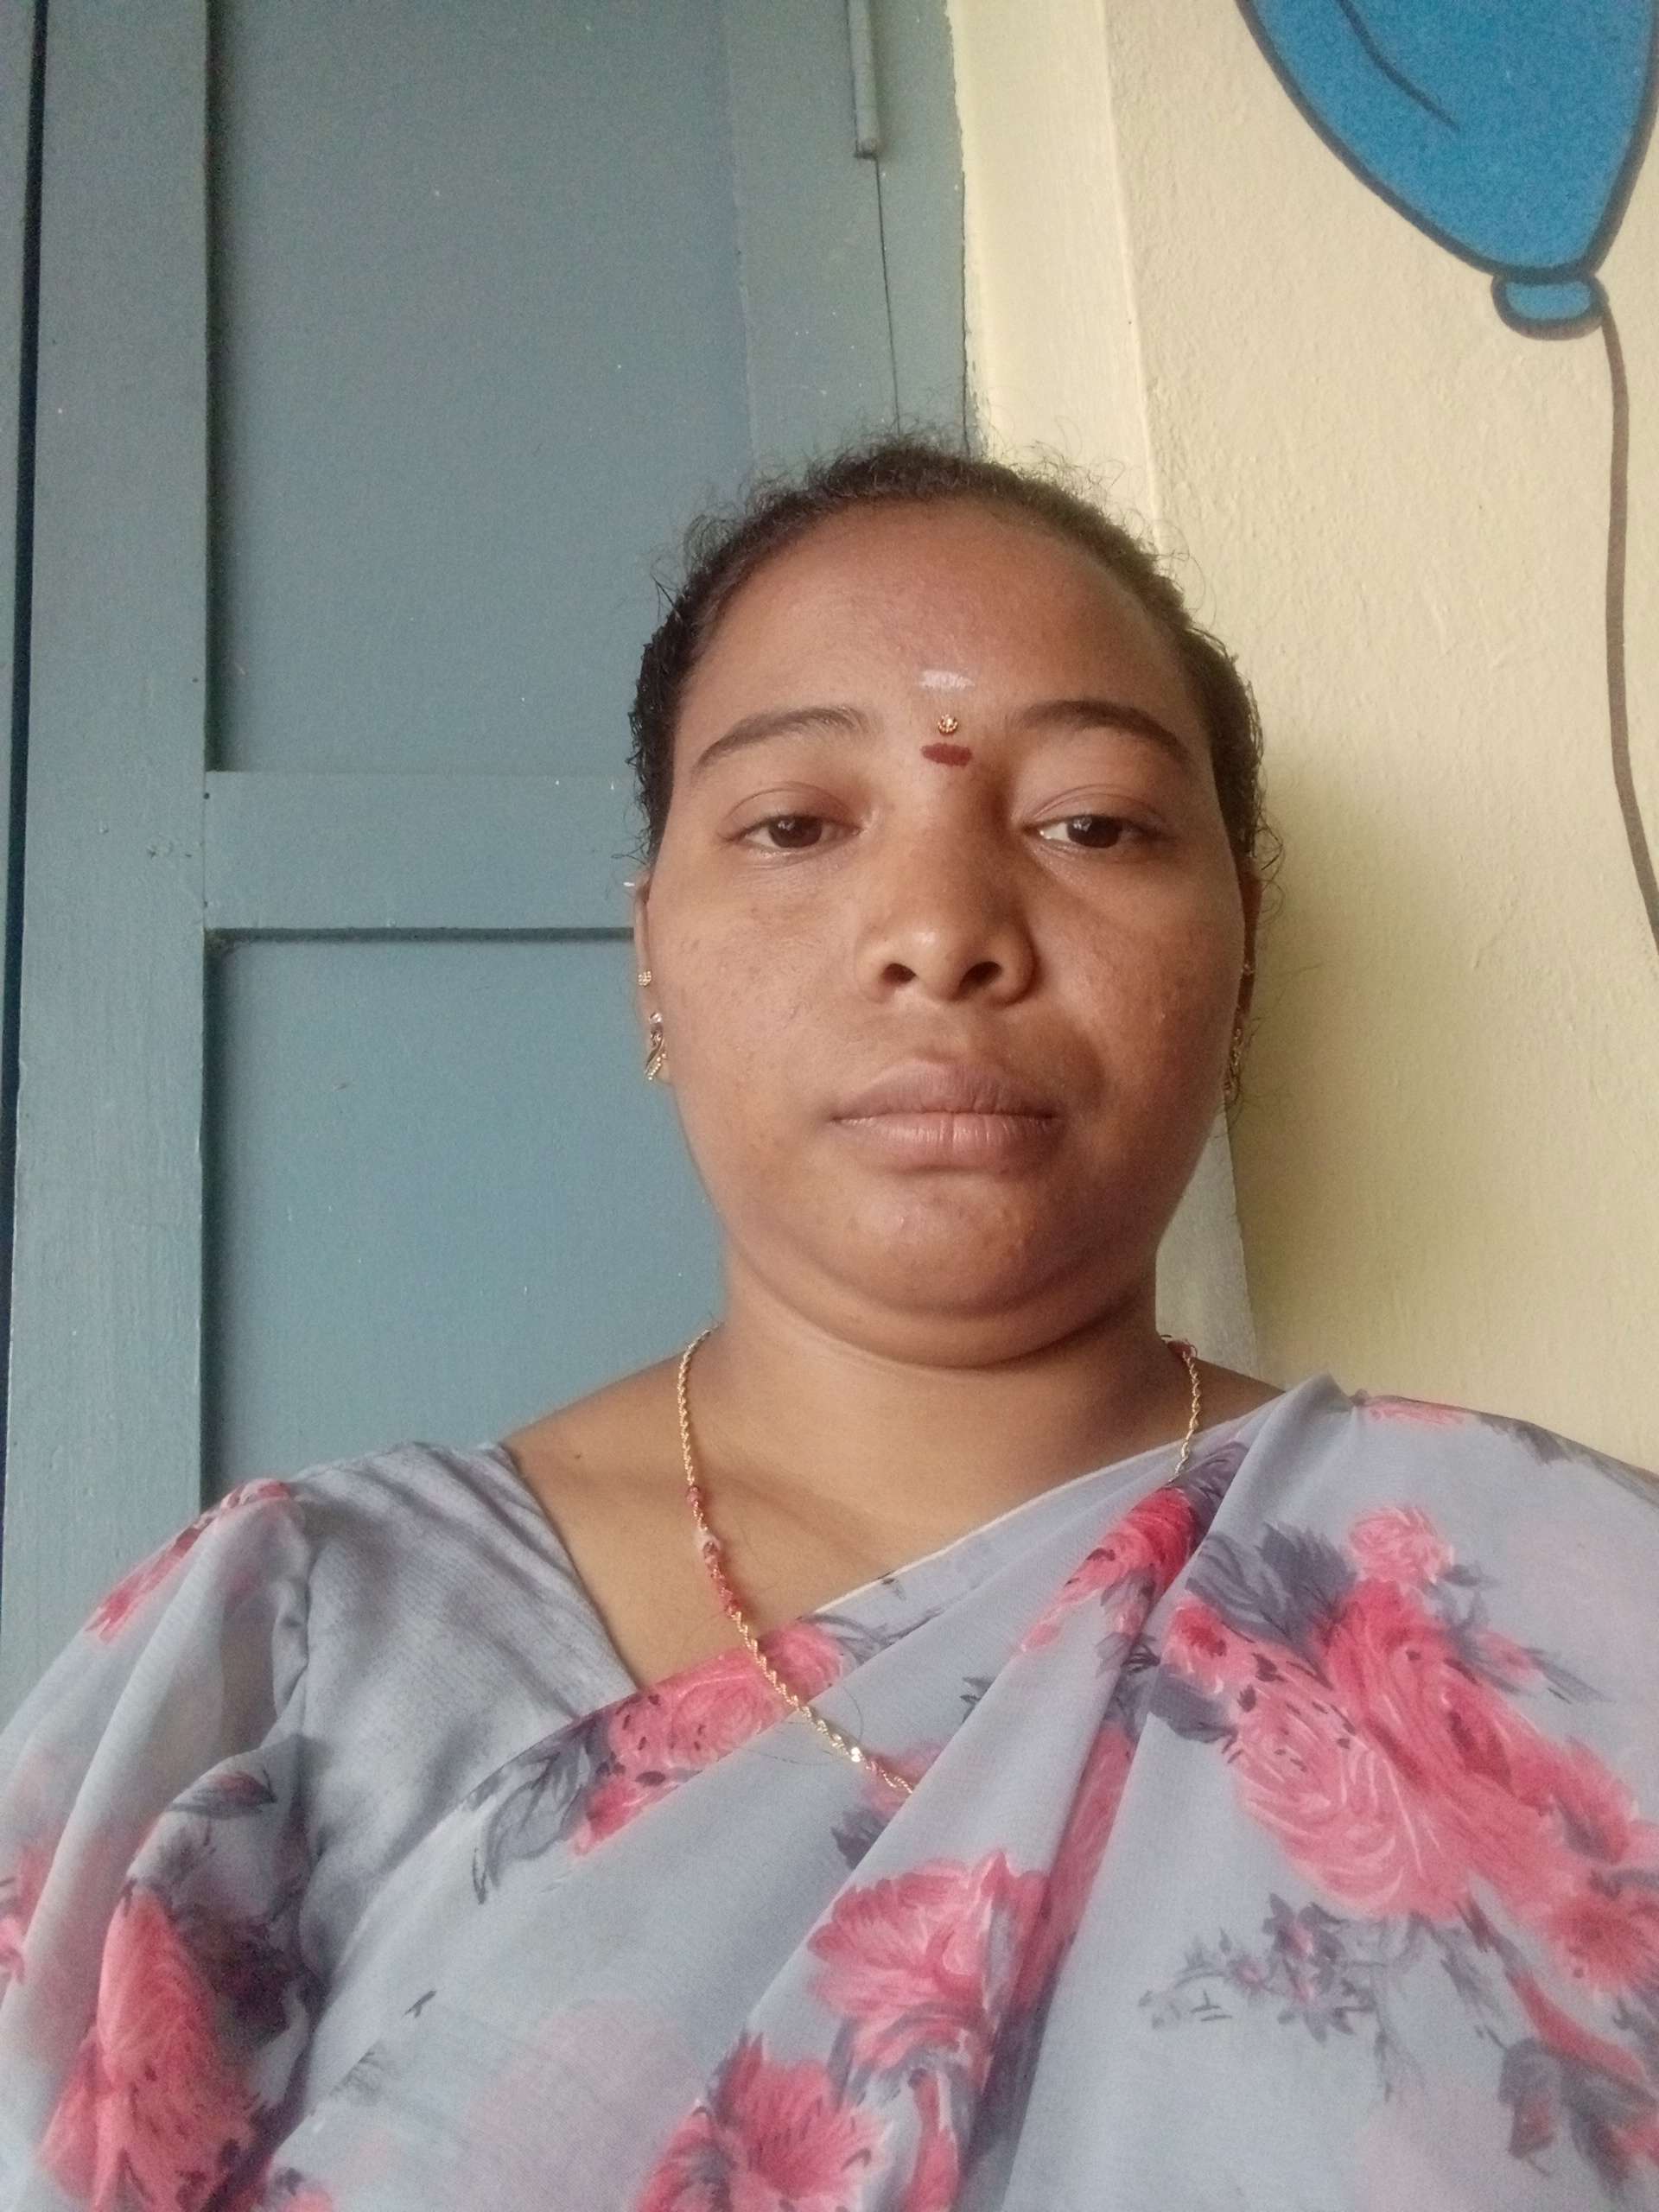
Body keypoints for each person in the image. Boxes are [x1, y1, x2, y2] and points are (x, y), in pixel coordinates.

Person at [0, 435, 1655, 2212]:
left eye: (1093, 823)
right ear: (651, 954)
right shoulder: (296, 1662)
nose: (943, 932)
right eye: (796, 824)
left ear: (1241, 953)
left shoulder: (1568, 1613)